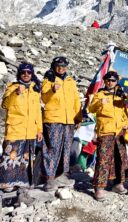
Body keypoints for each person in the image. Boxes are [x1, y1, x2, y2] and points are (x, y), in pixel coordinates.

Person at [0, 63, 43, 192]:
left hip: (30, 130)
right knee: (10, 155)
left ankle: (22, 182)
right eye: (23, 72)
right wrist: (16, 94)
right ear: (19, 73)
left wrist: (39, 129)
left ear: (32, 74)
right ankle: (7, 182)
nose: (26, 75)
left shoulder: (35, 91)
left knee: (25, 157)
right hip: (15, 128)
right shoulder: (12, 87)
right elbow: (4, 105)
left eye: (28, 73)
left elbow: (37, 112)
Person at [41, 56, 81, 191]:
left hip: (69, 120)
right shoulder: (49, 80)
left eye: (64, 66)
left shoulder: (70, 81)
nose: (61, 68)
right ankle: (49, 178)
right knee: (52, 148)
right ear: (54, 66)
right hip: (53, 119)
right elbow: (44, 98)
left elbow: (76, 100)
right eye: (58, 66)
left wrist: (78, 118)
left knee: (66, 148)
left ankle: (62, 174)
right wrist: (52, 89)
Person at [88, 71, 128, 201]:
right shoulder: (100, 94)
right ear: (105, 81)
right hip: (106, 130)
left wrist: (126, 124)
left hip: (119, 132)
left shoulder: (120, 95)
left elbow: (124, 113)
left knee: (120, 158)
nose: (110, 82)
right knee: (104, 159)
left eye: (113, 80)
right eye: (108, 80)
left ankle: (118, 183)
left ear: (117, 82)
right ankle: (99, 187)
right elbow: (91, 109)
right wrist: (100, 102)